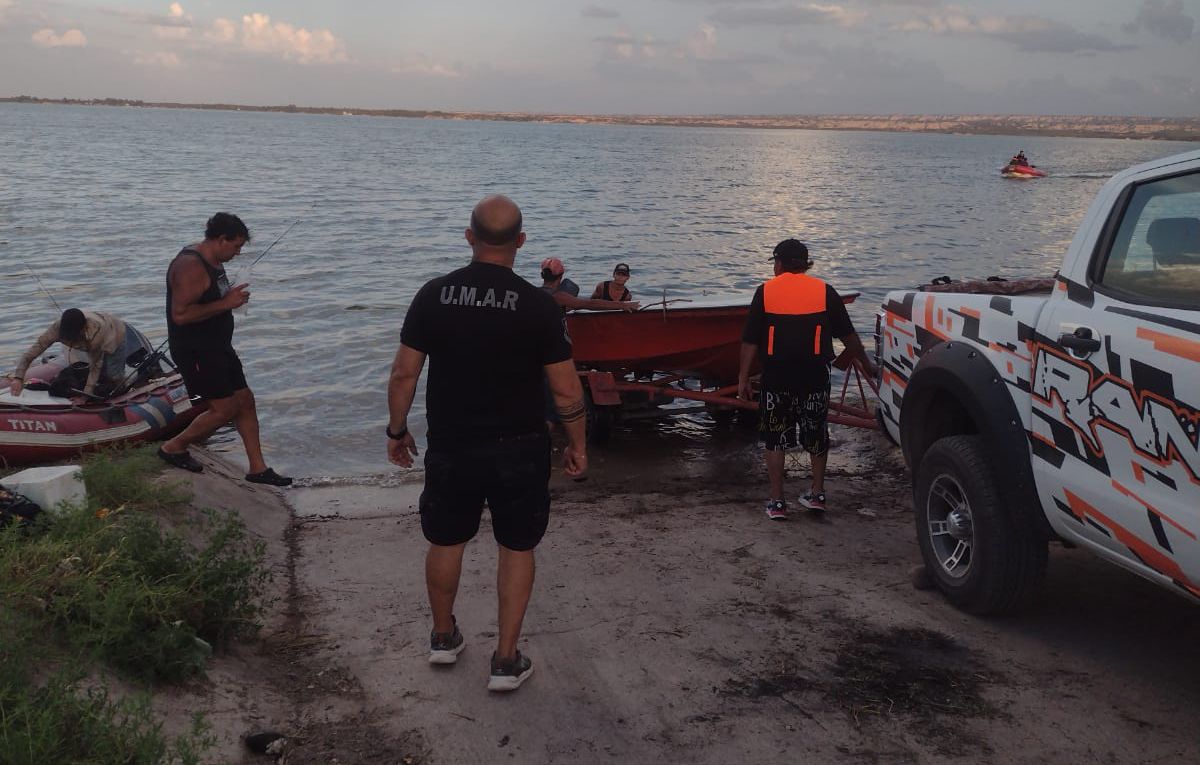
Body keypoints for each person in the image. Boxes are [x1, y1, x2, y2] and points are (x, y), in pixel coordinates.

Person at [387, 195, 588, 692]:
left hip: (452, 443)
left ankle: (442, 637)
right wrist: (577, 443)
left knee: (446, 538)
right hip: (519, 447)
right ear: (521, 242)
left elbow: (403, 373)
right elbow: (566, 389)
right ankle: (505, 659)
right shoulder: (540, 305)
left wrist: (396, 429)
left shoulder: (433, 294)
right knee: (517, 547)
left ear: (468, 236)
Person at [737, 239, 877, 521]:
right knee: (816, 433)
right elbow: (849, 337)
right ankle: (817, 494)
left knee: (775, 439)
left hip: (777, 376)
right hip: (814, 376)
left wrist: (742, 377)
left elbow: (750, 340)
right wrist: (866, 363)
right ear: (805, 264)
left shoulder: (765, 291)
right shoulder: (825, 291)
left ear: (779, 263)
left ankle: (777, 502)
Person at [157, 212, 291, 486]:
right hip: (196, 351)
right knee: (223, 409)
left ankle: (257, 468)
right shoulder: (190, 266)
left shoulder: (214, 260)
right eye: (236, 246)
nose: (238, 252)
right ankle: (173, 447)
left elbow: (207, 297)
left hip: (218, 346)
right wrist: (225, 303)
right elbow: (180, 315)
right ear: (220, 239)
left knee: (245, 400)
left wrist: (229, 295)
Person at [8, 309, 153, 399]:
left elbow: (95, 366)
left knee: (113, 379)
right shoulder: (57, 328)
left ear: (83, 329)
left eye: (72, 336)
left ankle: (128, 382)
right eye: (66, 336)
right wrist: (18, 377)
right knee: (89, 374)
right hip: (91, 331)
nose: (68, 339)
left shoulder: (95, 335)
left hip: (114, 332)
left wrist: (84, 397)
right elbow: (32, 352)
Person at [540, 258, 639, 312]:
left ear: (542, 275)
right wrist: (622, 305)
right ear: (561, 276)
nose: (621, 277)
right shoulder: (560, 296)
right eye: (619, 274)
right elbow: (590, 303)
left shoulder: (534, 292)